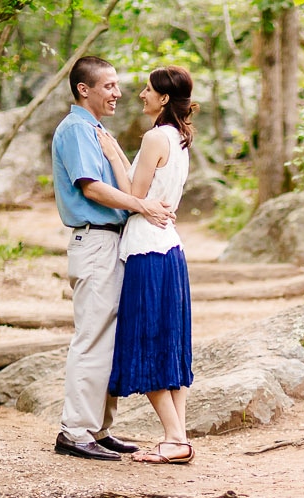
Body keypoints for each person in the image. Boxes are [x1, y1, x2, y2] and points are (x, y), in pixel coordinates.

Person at [51, 55, 174, 462]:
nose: (118, 93)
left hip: (114, 243)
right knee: (92, 338)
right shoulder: (75, 129)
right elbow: (92, 189)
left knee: (111, 338)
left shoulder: (96, 129)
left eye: (118, 85)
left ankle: (99, 429)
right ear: (84, 89)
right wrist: (142, 206)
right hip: (95, 242)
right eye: (109, 86)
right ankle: (75, 431)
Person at [98, 66, 197, 465]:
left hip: (146, 252)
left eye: (149, 90)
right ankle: (179, 436)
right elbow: (149, 187)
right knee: (170, 343)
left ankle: (175, 438)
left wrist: (111, 153)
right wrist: (122, 153)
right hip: (170, 250)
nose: (141, 93)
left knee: (148, 342)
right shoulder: (179, 137)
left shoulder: (156, 136)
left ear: (163, 98)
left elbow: (133, 193)